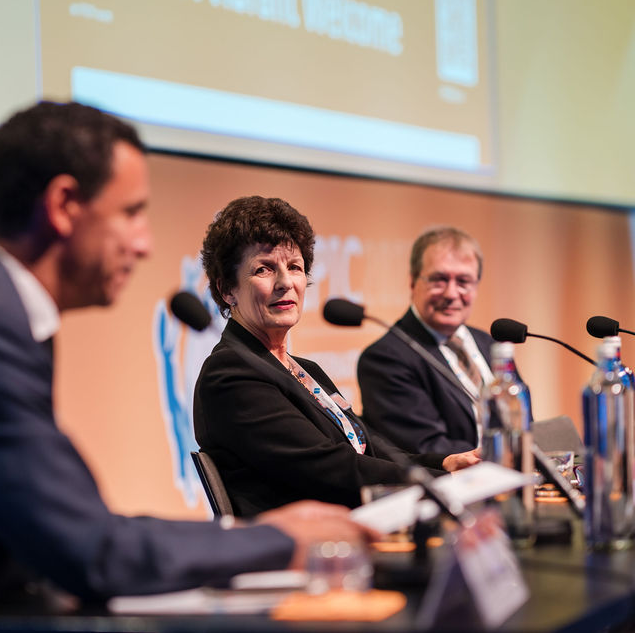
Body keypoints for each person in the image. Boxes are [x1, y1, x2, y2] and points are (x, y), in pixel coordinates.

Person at [0, 103, 373, 633]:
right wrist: (276, 540)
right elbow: (92, 549)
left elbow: (63, 534)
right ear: (63, 206)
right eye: (131, 213)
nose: (144, 244)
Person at [193, 197, 480, 518]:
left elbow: (368, 446)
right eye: (264, 269)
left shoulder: (304, 369)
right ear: (227, 289)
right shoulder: (231, 373)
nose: (285, 282)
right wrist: (442, 484)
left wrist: (442, 463)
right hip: (306, 549)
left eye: (295, 267)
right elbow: (328, 468)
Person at [358, 226, 530, 455]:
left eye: (463, 281)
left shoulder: (489, 344)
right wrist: (502, 458)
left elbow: (523, 422)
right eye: (438, 280)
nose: (451, 294)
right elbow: (428, 448)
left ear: (476, 286)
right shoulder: (385, 358)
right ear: (413, 283)